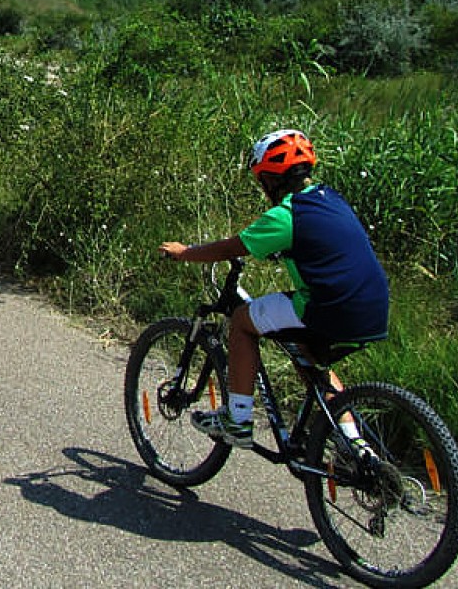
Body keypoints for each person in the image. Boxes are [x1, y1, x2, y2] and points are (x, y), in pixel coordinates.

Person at [159, 129, 389, 448]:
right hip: (373, 306)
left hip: (327, 306)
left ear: (270, 178)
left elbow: (231, 248)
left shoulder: (287, 215)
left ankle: (237, 420)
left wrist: (185, 253)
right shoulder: (332, 199)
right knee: (306, 354)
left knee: (241, 320)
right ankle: (355, 444)